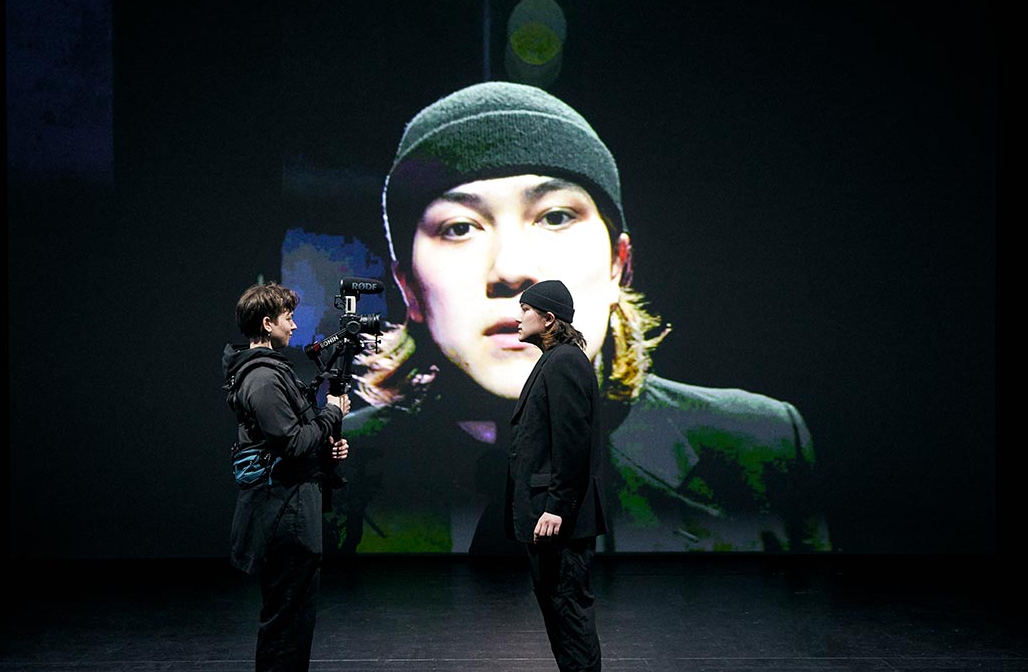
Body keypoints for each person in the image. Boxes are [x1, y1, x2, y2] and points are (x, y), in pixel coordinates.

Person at [331, 80, 828, 556]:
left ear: (619, 265)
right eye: (460, 227)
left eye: (555, 217)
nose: (511, 270)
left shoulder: (757, 449)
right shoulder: (332, 472)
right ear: (408, 287)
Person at [222, 281, 350, 672]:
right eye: (287, 317)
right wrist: (331, 416)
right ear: (266, 323)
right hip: (282, 516)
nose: (294, 325)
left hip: (293, 508)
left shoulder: (269, 372)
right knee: (284, 629)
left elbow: (297, 441)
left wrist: (327, 445)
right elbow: (293, 442)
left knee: (295, 625)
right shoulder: (261, 378)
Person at [507, 279, 606, 672]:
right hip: (550, 516)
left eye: (525, 309)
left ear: (548, 319)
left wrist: (557, 506)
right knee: (561, 618)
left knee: (571, 619)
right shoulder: (556, 360)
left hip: (559, 519)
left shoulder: (564, 362)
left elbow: (573, 442)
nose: (517, 316)